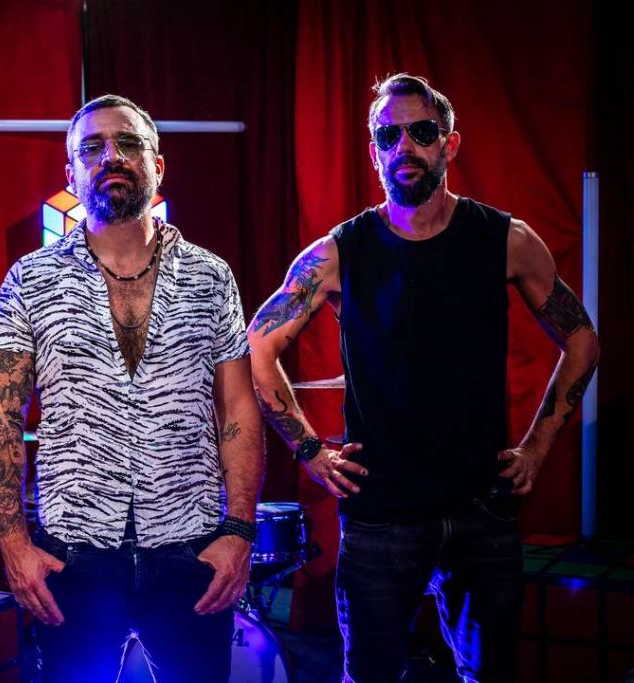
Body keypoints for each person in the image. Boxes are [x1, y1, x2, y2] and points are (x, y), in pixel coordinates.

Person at [248, 74, 599, 683]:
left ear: (449, 144)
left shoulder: (505, 240)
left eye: (421, 132)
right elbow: (257, 345)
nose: (405, 146)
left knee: (489, 675)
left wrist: (538, 446)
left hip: (481, 507)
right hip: (381, 513)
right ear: (374, 152)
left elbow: (583, 340)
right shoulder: (340, 252)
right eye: (389, 136)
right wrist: (309, 452)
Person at [0, 94, 264, 682]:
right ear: (71, 174)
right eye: (92, 147)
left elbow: (238, 405)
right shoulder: (29, 280)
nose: (111, 156)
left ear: (158, 165)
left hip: (190, 549)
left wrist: (239, 531)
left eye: (129, 143)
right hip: (73, 555)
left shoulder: (211, 276)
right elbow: (2, 415)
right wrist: (13, 544)